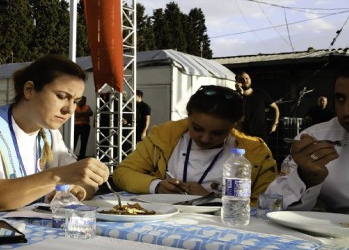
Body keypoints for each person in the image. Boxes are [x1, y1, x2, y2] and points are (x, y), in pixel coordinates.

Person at [0, 55, 110, 213]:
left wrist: (77, 190)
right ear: (29, 89)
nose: (70, 109)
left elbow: (81, 181)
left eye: (76, 101)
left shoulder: (50, 134)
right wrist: (57, 177)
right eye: (61, 96)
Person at [113, 85, 277, 205]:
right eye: (197, 128)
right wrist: (156, 185)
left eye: (218, 133)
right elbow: (123, 173)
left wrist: (211, 199)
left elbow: (264, 205)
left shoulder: (256, 154)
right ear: (188, 117)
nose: (205, 138)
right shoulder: (164, 136)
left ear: (235, 125)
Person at [265, 65, 349, 212]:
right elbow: (270, 204)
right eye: (340, 99)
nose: (346, 111)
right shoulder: (315, 140)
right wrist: (306, 178)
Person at [235, 71, 280, 141]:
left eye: (247, 78)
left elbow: (275, 108)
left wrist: (275, 124)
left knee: (263, 152)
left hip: (261, 134)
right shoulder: (235, 96)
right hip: (243, 134)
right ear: (237, 82)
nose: (245, 81)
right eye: (241, 79)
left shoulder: (260, 93)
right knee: (243, 152)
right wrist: (240, 93)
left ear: (250, 79)